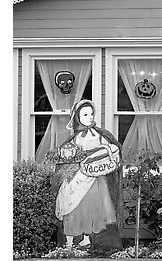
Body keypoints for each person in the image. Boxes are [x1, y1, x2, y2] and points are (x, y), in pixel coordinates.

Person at [48, 99, 122, 248]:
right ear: (77, 117)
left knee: (92, 209)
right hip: (76, 179)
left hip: (95, 180)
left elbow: (112, 152)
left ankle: (88, 239)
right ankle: (69, 242)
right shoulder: (74, 140)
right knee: (72, 207)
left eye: (91, 113)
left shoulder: (101, 136)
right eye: (85, 114)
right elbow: (67, 159)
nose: (90, 117)